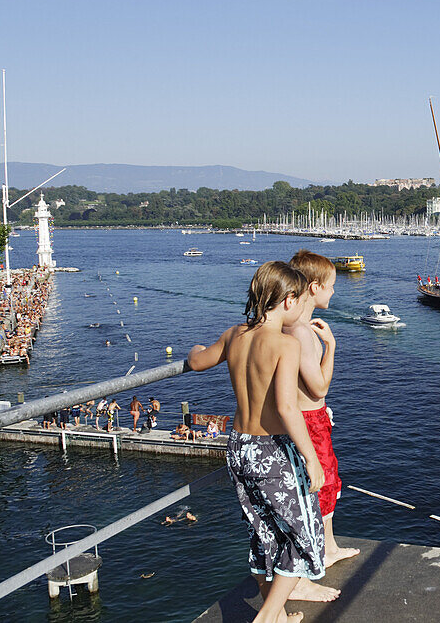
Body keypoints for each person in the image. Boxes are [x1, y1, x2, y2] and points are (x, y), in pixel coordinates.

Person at [187, 260, 339, 618]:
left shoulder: (234, 335)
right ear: (287, 300)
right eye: (299, 300)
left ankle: (280, 615)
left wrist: (194, 349)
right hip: (272, 448)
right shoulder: (285, 345)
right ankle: (269, 615)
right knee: (303, 531)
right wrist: (312, 459)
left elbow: (197, 362)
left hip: (239, 445)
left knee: (262, 529)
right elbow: (288, 408)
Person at [288, 250, 359, 569]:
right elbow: (318, 388)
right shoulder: (303, 332)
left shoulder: (292, 327)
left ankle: (327, 546)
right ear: (314, 286)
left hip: (312, 417)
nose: (334, 290)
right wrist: (331, 347)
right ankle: (323, 550)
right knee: (324, 482)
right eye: (331, 285)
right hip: (309, 419)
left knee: (326, 481)